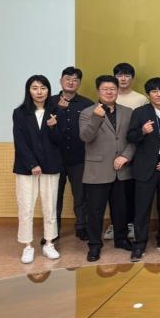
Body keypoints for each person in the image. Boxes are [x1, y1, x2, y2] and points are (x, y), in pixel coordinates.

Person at [79, 75, 136, 262]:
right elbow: (86, 137)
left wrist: (126, 156)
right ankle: (95, 245)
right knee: (95, 211)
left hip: (122, 169)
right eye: (105, 89)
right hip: (97, 170)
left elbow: (133, 139)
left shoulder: (128, 112)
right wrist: (97, 118)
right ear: (98, 91)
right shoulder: (87, 112)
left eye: (113, 89)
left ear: (118, 91)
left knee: (121, 209)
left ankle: (121, 239)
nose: (109, 92)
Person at [12, 75, 63, 264]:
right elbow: (20, 141)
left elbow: (60, 141)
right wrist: (32, 164)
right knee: (26, 207)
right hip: (26, 167)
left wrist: (53, 127)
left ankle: (49, 243)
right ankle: (27, 246)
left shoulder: (56, 110)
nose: (39, 92)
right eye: (35, 88)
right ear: (29, 90)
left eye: (43, 88)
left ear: (48, 90)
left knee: (50, 206)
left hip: (50, 165)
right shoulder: (20, 112)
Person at [126, 77, 160, 261]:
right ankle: (139, 244)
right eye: (154, 91)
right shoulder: (140, 112)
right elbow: (130, 137)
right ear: (148, 94)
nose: (159, 94)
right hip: (145, 166)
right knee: (142, 207)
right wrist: (142, 131)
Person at [104, 62, 147, 242]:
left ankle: (130, 224)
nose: (123, 79)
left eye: (127, 75)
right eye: (119, 75)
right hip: (110, 152)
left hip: (133, 149)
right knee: (113, 192)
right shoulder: (107, 97)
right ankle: (115, 224)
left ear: (132, 78)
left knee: (130, 191)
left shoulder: (141, 99)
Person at [52, 66, 94, 242]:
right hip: (54, 159)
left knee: (81, 195)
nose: (71, 82)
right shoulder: (49, 102)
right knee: (54, 196)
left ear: (79, 83)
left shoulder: (87, 104)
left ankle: (82, 227)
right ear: (61, 81)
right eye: (67, 78)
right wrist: (59, 110)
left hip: (79, 158)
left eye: (75, 79)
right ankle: (52, 230)